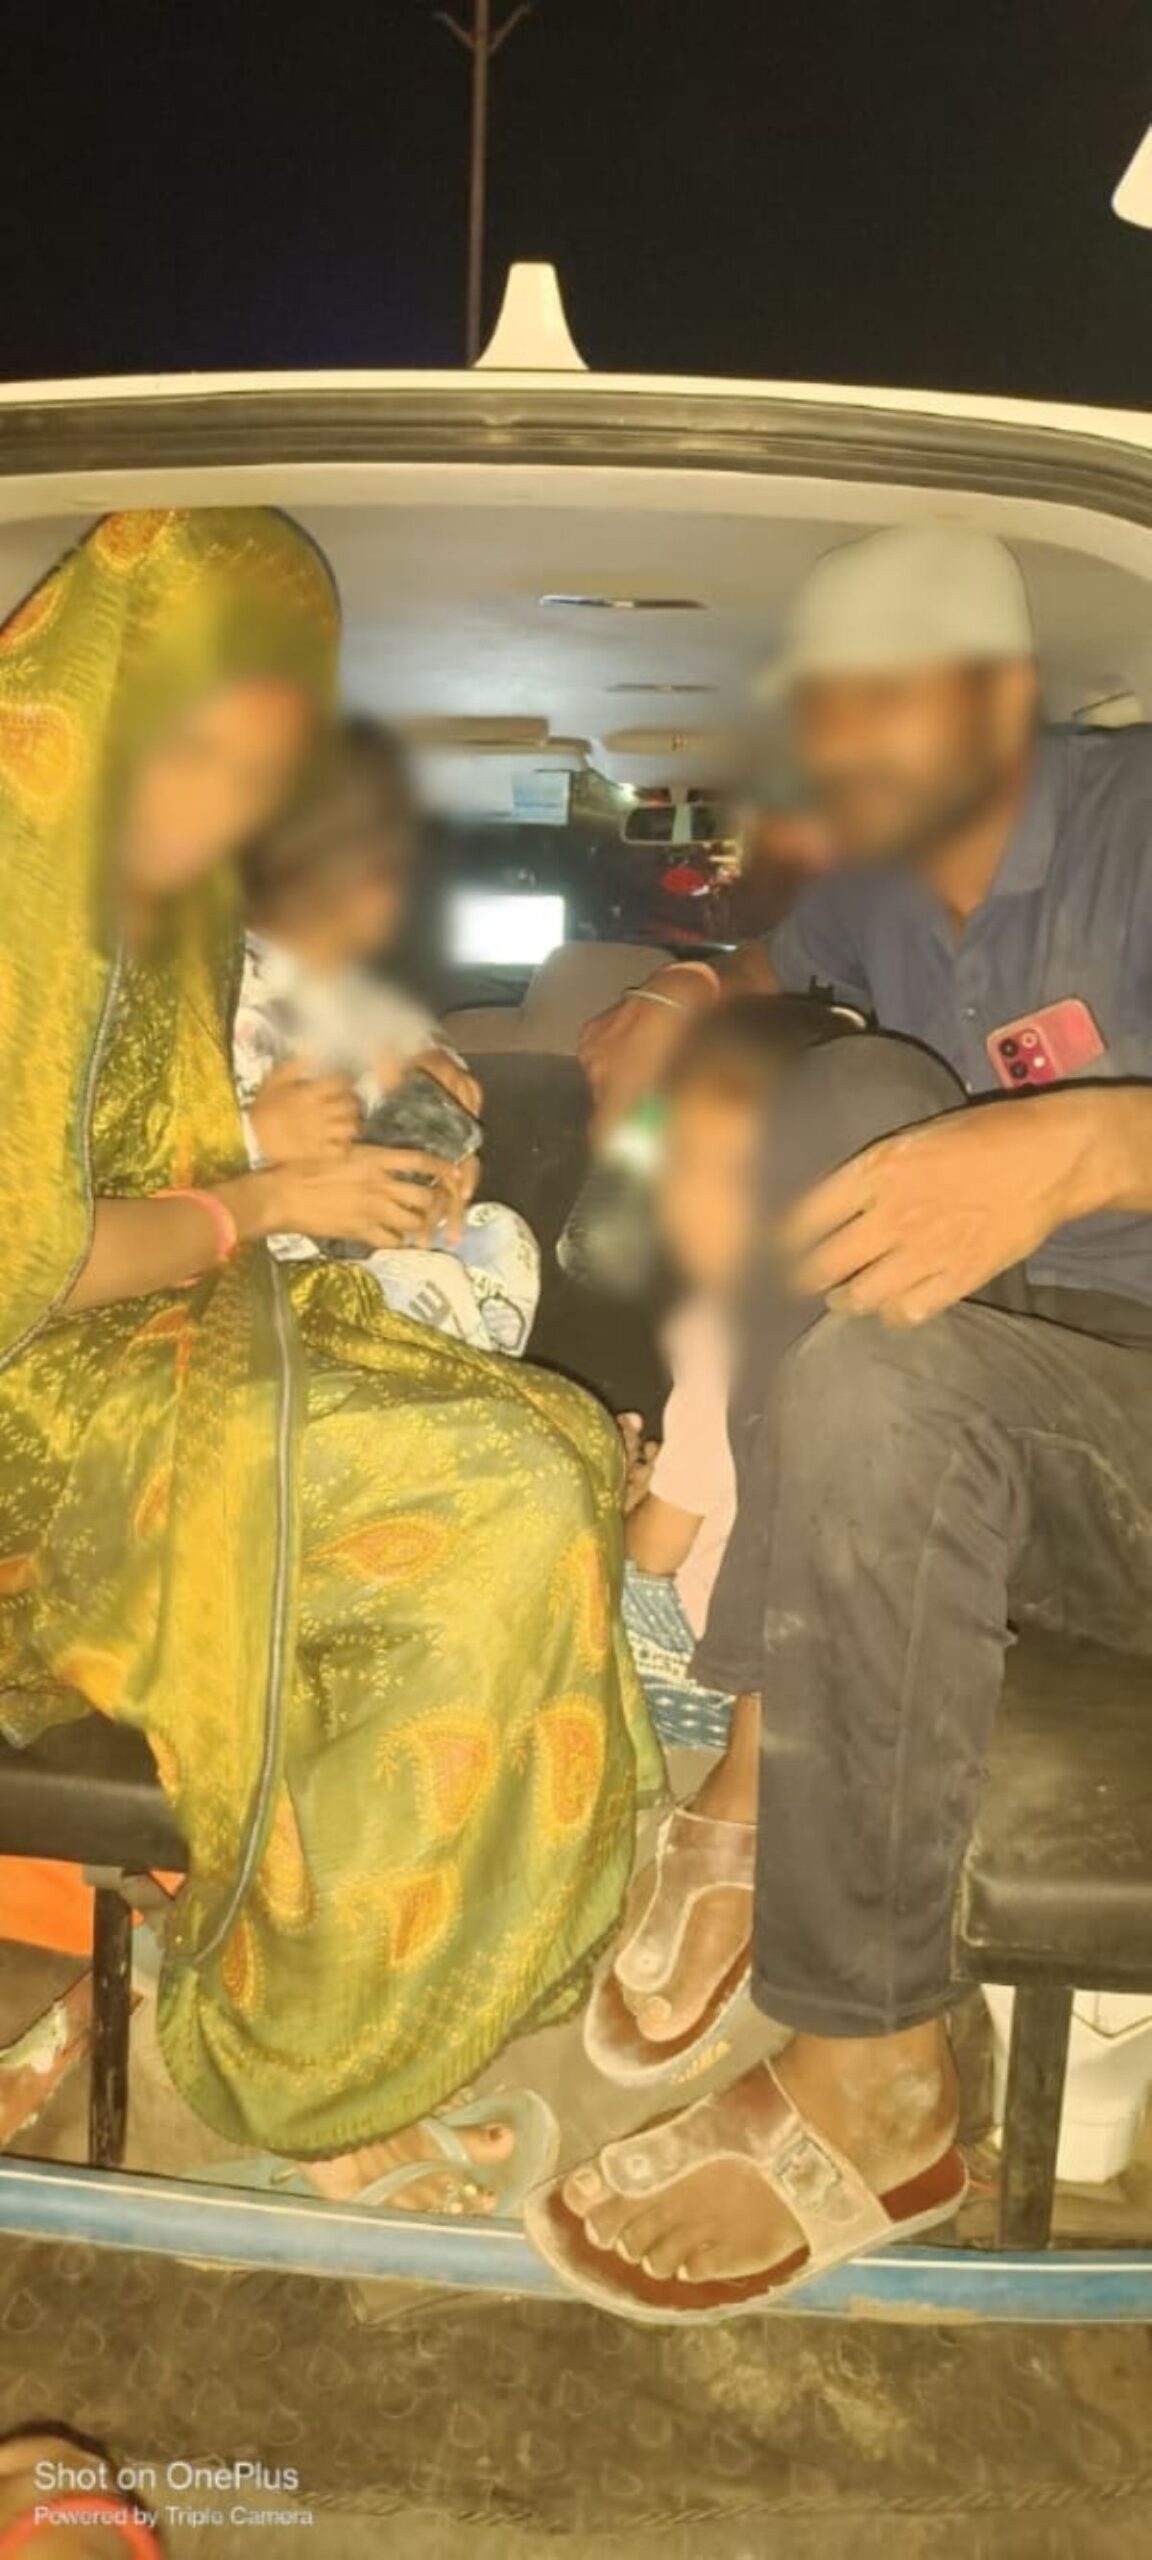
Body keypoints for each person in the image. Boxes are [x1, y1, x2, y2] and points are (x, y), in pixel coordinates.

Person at [0, 508, 659, 2216]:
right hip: (33, 1418)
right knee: (495, 1496)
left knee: (553, 1450)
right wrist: (264, 1194)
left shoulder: (174, 914)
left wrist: (335, 1134)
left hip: (166, 1336)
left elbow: (175, 1136)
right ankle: (304, 2071)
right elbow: (26, 1257)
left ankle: (423, 1960)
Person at [532, 523, 1152, 2315]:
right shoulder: (874, 878)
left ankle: (858, 2054)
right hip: (980, 1390)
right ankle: (774, 1801)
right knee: (846, 1094)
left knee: (888, 1352)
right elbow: (771, 967)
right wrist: (681, 991)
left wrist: (1098, 1142)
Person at [236, 715, 541, 1357]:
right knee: (426, 1283)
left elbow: (411, 1054)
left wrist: (440, 1123)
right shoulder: (210, 985)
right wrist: (254, 1137)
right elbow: (151, 1154)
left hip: (373, 1231)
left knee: (499, 1237)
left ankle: (481, 1375)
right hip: (257, 1265)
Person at [618, 996, 857, 1757]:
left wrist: (613, 1505)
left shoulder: (720, 1336)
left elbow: (654, 1552)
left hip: (711, 1675)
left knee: (547, 1559)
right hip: (846, 1675)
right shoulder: (868, 1309)